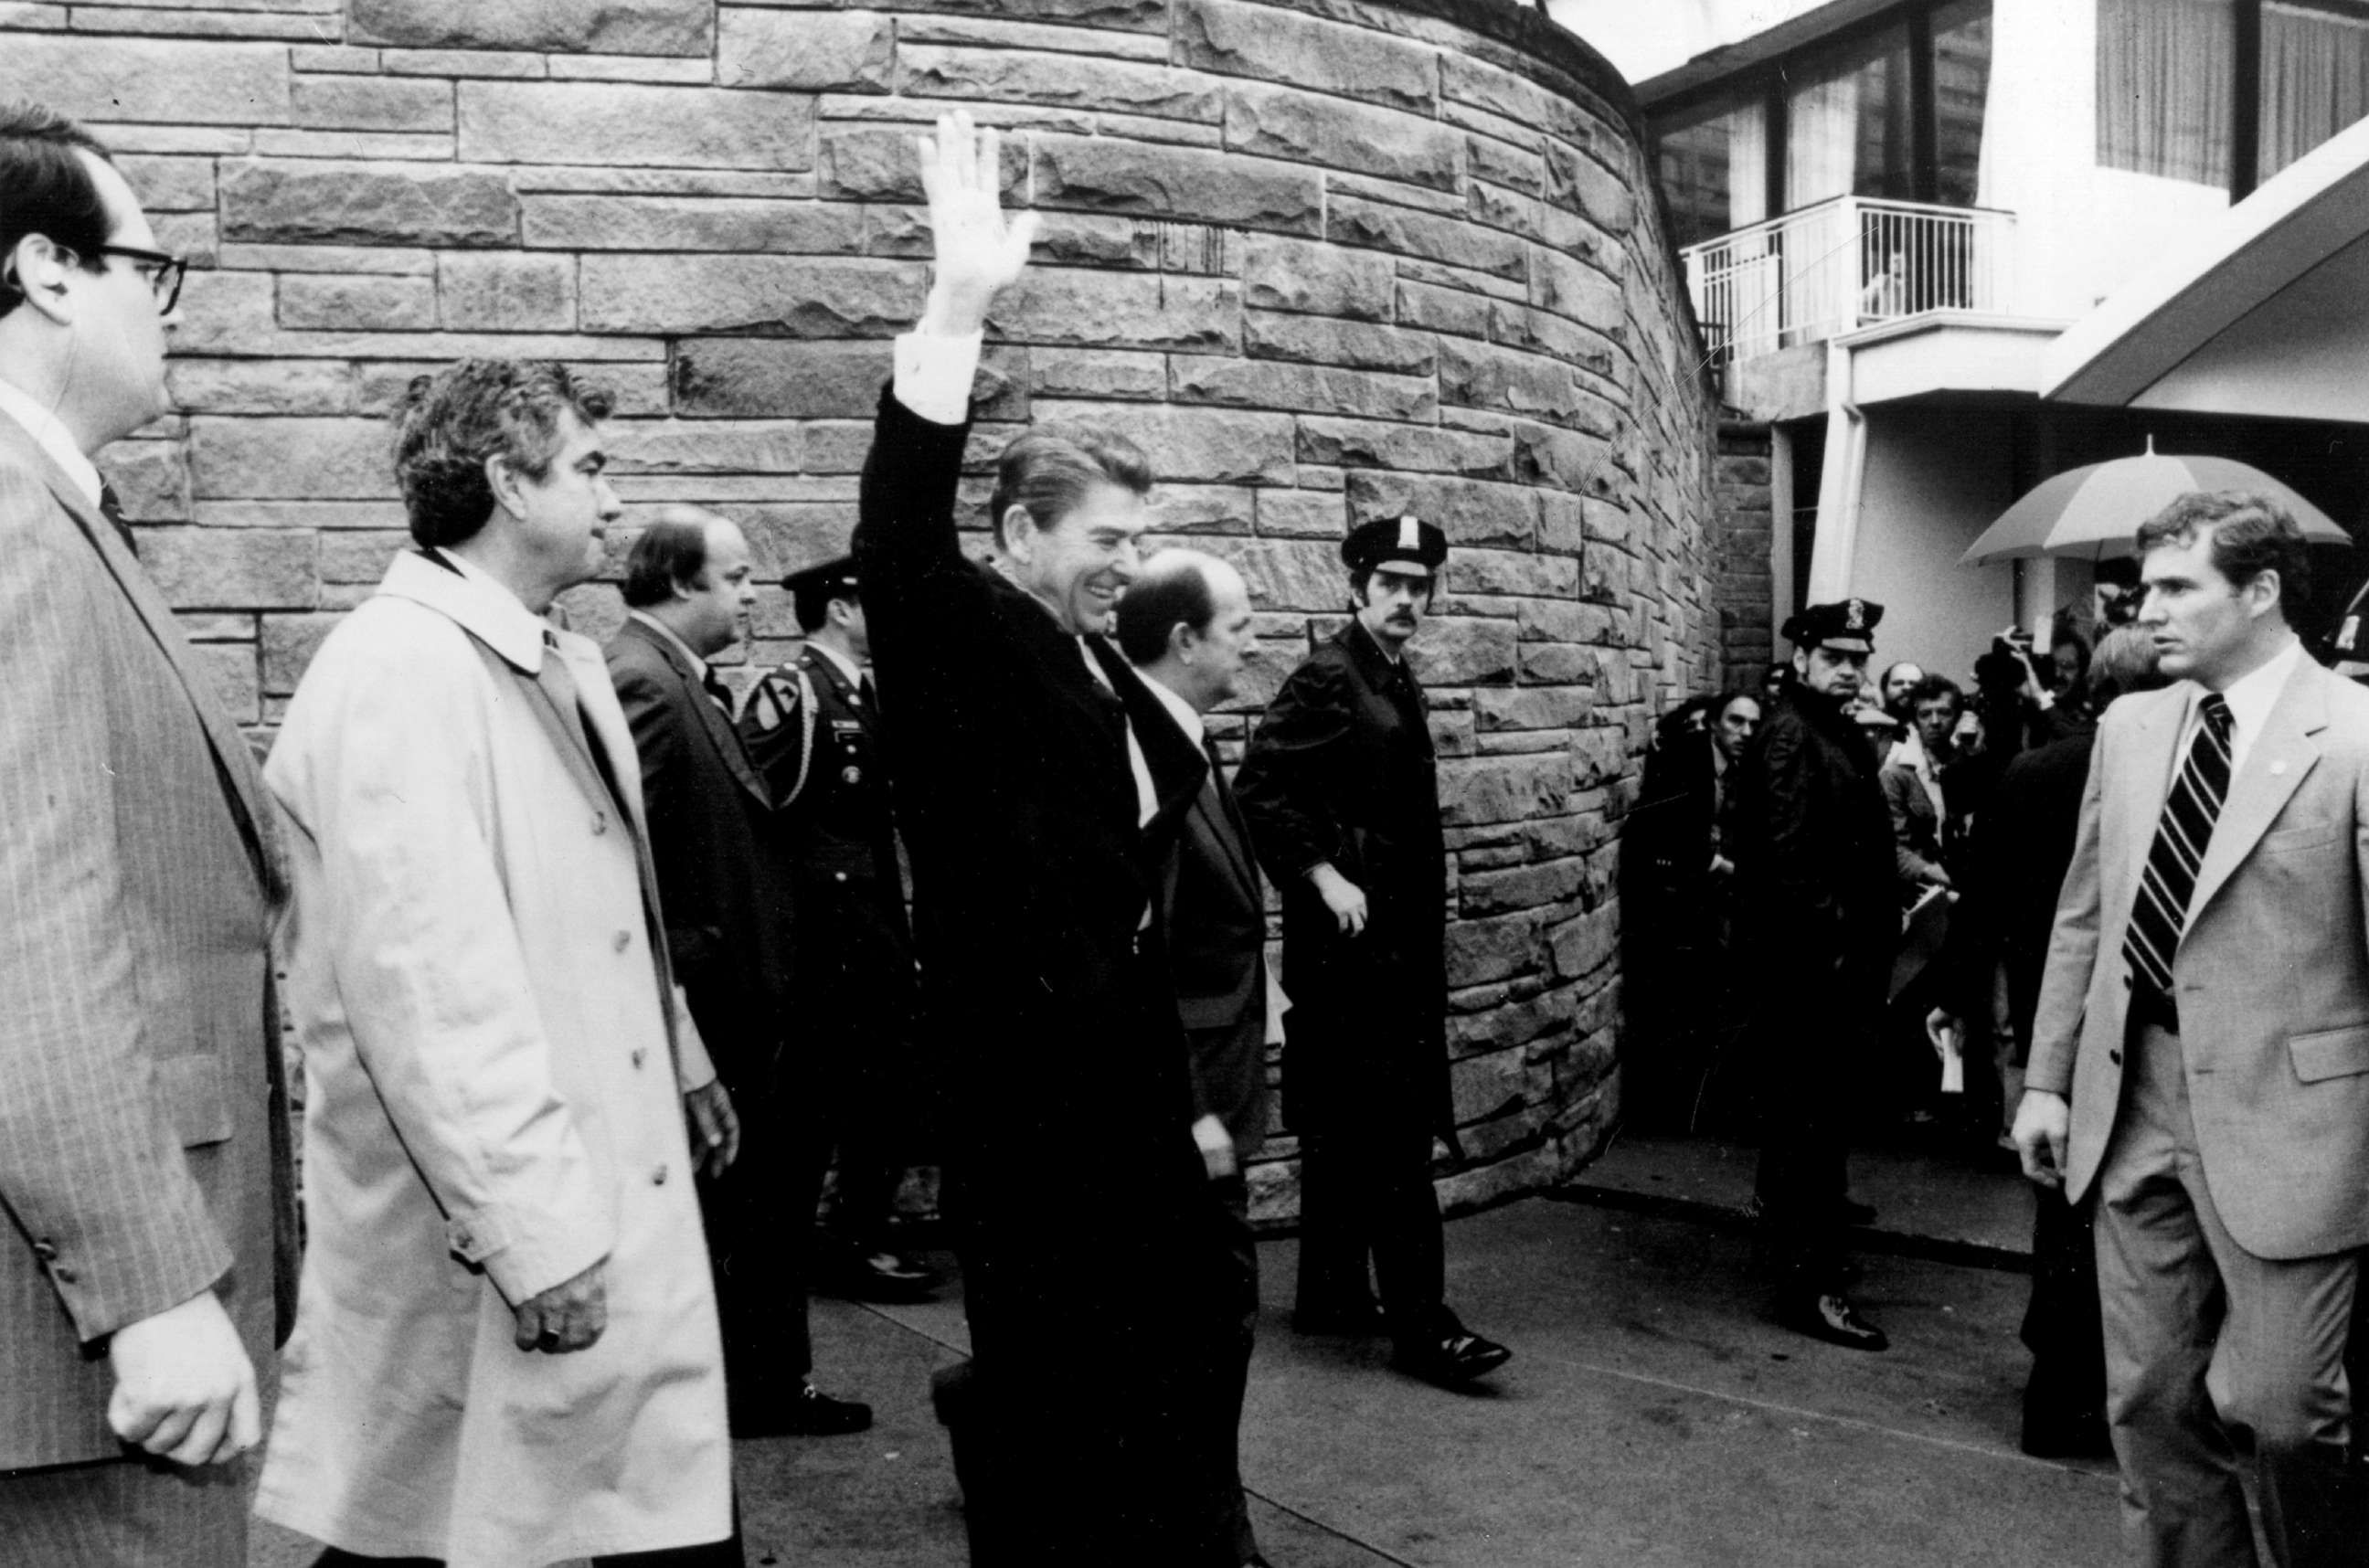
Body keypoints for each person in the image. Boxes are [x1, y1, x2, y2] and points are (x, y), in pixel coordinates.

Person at [254, 361, 743, 1567]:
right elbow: (427, 990)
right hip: (496, 1235)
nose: (614, 504)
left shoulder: (538, 656)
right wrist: (532, 1236)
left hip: (585, 1191)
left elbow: (601, 905)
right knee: (452, 1517)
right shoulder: (400, 675)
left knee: (560, 1516)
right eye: (590, 468)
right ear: (505, 485)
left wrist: (676, 1053)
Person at [852, 111, 1240, 1565]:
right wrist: (955, 308)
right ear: (1018, 532)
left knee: (1137, 1385)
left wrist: (1180, 1104)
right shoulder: (969, 637)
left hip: (1118, 1105)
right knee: (1050, 1412)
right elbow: (898, 534)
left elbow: (1124, 908)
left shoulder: (1101, 676)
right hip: (1028, 1114)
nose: (1128, 571)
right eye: (1103, 543)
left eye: (1143, 545)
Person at [0, 100, 298, 1566]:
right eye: (149, 268)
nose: (163, 309)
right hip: (76, 1358)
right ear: (50, 270)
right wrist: (151, 1287)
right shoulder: (7, 515)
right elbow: (23, 931)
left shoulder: (58, 510)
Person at [2014, 491, 2369, 1568]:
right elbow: (2087, 915)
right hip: (2135, 1107)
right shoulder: (2130, 727)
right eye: (2146, 585)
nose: (2146, 609)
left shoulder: (2352, 734)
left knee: (2288, 1412)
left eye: (2178, 588)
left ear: (2260, 593)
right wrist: (2048, 1081)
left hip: (2296, 1125)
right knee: (2152, 1409)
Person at [606, 512, 872, 1439]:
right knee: (740, 1211)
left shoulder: (685, 682)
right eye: (737, 576)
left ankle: (758, 1382)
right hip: (709, 1009)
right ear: (681, 582)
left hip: (744, 1004)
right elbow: (612, 858)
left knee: (761, 1208)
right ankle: (743, 1390)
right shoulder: (640, 681)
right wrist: (683, 986)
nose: (753, 593)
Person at [1235, 514, 1513, 1389]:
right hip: (1355, 949)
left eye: (1419, 585)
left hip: (1383, 949)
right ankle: (1425, 1329)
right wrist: (1320, 873)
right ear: (1356, 587)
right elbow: (1261, 786)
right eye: (1389, 583)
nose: (1405, 599)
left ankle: (1329, 1292)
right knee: (1390, 1136)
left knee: (1345, 1130)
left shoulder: (1389, 674)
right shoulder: (1329, 674)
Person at [1931, 625, 2163, 1458]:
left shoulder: (2035, 771)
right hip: (2150, 1026)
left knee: (2064, 1205)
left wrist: (1958, 999)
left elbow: (1980, 901)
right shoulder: (2168, 772)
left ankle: (2058, 1394)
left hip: (2052, 1022)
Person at [1116, 547, 1275, 1568]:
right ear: (1184, 642)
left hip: (1210, 1092)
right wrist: (1196, 1113)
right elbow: (1141, 964)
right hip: (1187, 1110)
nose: (1253, 640)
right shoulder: (1147, 757)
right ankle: (1211, 1534)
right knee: (1210, 1323)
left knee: (1203, 1320)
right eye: (1240, 625)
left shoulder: (1188, 740)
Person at [738, 556, 937, 1306]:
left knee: (885, 1088)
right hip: (827, 936)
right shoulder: (796, 693)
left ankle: (858, 1234)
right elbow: (760, 816)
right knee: (823, 1095)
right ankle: (834, 1245)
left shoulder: (861, 693)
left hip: (871, 930)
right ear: (843, 609)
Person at [1729, 598, 1896, 1351]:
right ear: (1800, 660)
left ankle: (1812, 1257)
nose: (1852, 672)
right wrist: (1838, 960)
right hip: (1813, 977)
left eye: (1859, 660)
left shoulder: (1830, 731)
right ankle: (1812, 1287)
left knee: (1815, 1131)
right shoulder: (1792, 736)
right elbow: (1789, 867)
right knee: (1812, 1130)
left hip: (1832, 970)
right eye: (1836, 659)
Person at [1623, 689, 1760, 1127]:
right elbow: (1658, 830)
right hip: (1674, 897)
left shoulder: (1742, 769)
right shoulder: (1687, 761)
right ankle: (1673, 1107)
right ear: (1716, 723)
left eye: (1754, 725)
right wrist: (1721, 865)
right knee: (1683, 1000)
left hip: (1715, 893)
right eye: (1737, 722)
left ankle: (1704, 1100)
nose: (1745, 732)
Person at [1880, 674, 1964, 893]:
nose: (1935, 722)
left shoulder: (1964, 764)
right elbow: (1892, 847)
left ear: (1957, 717)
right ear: (1915, 720)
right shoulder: (1896, 772)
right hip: (1918, 887)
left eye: (1944, 712)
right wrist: (1932, 872)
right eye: (1925, 714)